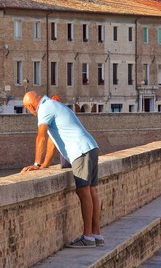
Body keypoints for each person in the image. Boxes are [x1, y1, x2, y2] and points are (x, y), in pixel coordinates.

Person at [20, 91, 103, 248]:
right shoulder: (54, 105)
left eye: (27, 109)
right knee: (91, 191)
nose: (29, 112)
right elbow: (53, 141)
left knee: (83, 191)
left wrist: (36, 164)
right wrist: (45, 164)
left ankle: (88, 237)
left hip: (80, 151)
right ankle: (97, 234)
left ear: (31, 106)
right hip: (90, 147)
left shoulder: (44, 109)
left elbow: (41, 137)